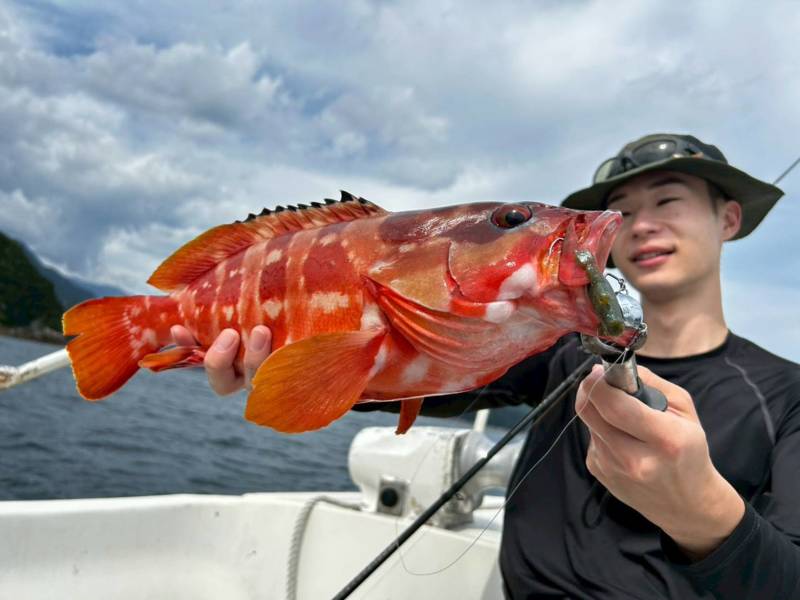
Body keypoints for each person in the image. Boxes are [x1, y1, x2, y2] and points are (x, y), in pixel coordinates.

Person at [172, 133, 800, 599]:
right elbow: (426, 379)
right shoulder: (548, 349)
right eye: (624, 208)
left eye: (668, 200)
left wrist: (705, 517)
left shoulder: (787, 393)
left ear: (729, 218)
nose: (639, 225)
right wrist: (286, 357)